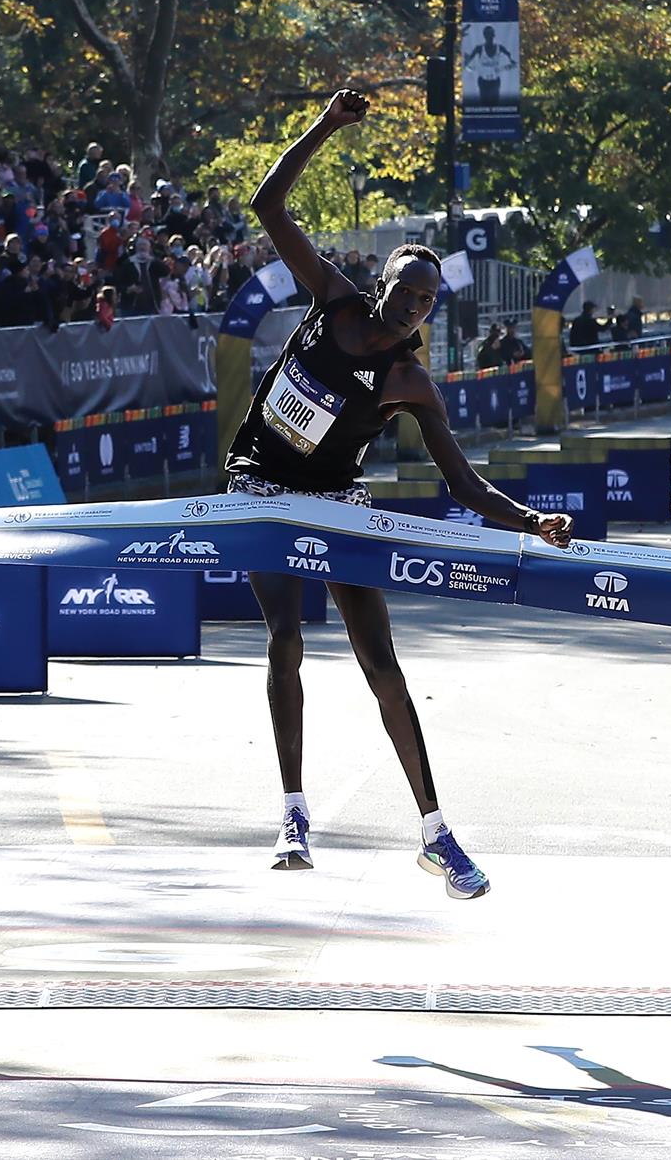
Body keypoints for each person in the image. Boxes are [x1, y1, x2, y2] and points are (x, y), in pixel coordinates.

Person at [227, 88, 573, 898]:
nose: (413, 305)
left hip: (337, 499)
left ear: (431, 310)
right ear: (380, 283)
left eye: (427, 300)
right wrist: (326, 125)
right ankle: (293, 815)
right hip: (259, 487)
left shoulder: (409, 380)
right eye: (405, 290)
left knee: (381, 662)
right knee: (285, 640)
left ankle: (435, 833)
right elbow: (267, 203)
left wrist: (532, 522)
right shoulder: (331, 298)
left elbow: (464, 482)